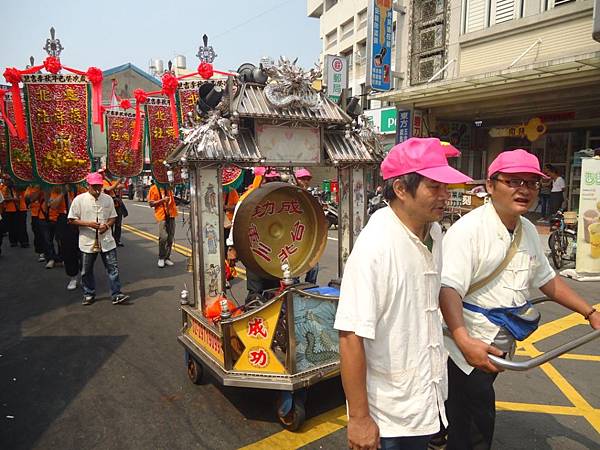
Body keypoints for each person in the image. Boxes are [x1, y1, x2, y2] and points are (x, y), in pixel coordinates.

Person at [440, 150, 600, 450]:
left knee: (464, 413)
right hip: (466, 346)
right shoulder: (469, 231)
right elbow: (448, 289)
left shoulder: (526, 228)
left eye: (531, 183)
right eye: (513, 181)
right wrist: (463, 341)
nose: (524, 189)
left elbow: (547, 280)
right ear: (491, 186)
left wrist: (589, 311)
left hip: (499, 341)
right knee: (474, 423)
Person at [334, 138, 472, 450]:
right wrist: (358, 418)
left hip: (425, 396)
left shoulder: (432, 232)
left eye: (446, 187)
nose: (444, 197)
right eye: (434, 187)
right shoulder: (375, 248)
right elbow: (350, 336)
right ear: (400, 189)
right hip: (389, 414)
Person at [68, 172, 129, 306]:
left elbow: (113, 217)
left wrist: (107, 225)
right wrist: (88, 224)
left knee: (113, 269)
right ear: (88, 185)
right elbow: (71, 219)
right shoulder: (79, 200)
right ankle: (89, 293)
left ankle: (116, 294)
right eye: (94, 186)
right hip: (87, 240)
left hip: (106, 240)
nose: (97, 189)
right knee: (86, 270)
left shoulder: (107, 199)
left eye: (99, 186)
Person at [294, 168, 319, 284]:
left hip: (307, 237)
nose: (305, 181)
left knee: (314, 267)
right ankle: (293, 292)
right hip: (292, 238)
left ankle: (310, 288)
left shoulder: (309, 195)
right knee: (294, 270)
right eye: (303, 179)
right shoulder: (291, 193)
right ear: (296, 180)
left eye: (307, 179)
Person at [147, 181, 178, 268]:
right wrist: (162, 200)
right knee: (163, 237)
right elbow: (151, 203)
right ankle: (161, 257)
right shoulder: (153, 188)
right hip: (161, 215)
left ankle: (167, 257)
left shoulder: (168, 187)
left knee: (170, 237)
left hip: (172, 214)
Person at [101, 170, 126, 247]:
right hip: (109, 205)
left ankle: (117, 240)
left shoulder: (112, 181)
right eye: (107, 172)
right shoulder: (103, 181)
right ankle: (110, 239)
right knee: (110, 224)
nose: (109, 173)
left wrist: (119, 182)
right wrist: (118, 182)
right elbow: (108, 189)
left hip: (117, 204)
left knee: (118, 224)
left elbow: (121, 186)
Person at [25, 184, 47, 261]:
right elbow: (29, 199)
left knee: (47, 235)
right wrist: (38, 190)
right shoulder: (30, 187)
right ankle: (41, 252)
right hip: (35, 215)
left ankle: (50, 253)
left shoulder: (47, 186)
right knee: (38, 234)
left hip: (46, 214)